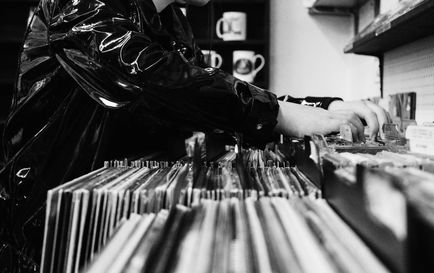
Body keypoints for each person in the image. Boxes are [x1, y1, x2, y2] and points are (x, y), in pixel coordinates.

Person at [0, 0, 389, 271]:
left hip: (123, 225)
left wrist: (319, 107)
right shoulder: (79, 1)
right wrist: (282, 114)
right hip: (48, 234)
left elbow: (207, 94)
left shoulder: (171, 22)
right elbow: (149, 78)